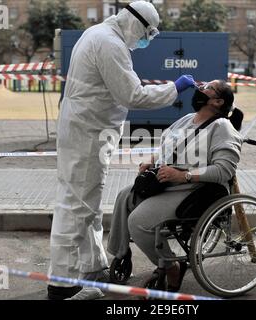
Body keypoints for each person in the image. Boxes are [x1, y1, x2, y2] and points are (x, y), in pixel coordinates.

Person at [47, 1, 196, 300]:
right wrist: (175, 88)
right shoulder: (109, 44)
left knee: (86, 205)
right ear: (136, 23)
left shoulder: (98, 34)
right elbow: (133, 94)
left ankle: (92, 267)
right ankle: (61, 284)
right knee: (75, 206)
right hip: (87, 133)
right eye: (147, 34)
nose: (145, 41)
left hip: (85, 130)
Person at [107, 80, 243, 292]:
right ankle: (121, 253)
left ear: (217, 101)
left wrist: (184, 175)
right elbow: (165, 146)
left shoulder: (222, 127)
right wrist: (151, 162)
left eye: (208, 87)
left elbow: (224, 170)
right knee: (124, 196)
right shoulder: (187, 120)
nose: (200, 88)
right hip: (167, 182)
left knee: (138, 222)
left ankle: (171, 267)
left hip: (194, 190)